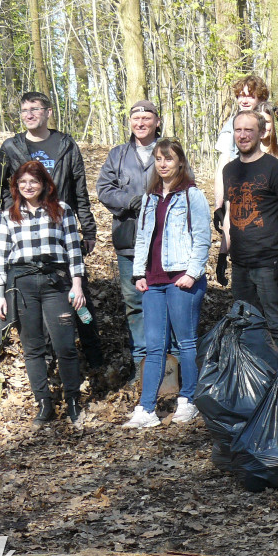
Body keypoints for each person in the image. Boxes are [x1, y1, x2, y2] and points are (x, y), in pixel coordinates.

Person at [0, 92, 102, 368]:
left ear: (48, 112)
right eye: (24, 111)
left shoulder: (66, 144)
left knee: (81, 299)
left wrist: (88, 229)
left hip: (62, 232)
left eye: (35, 109)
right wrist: (15, 217)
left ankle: (93, 354)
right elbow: (2, 193)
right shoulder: (11, 147)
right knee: (36, 306)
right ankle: (47, 361)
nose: (29, 114)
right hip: (28, 237)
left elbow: (80, 189)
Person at [123, 139, 211, 428]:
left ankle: (188, 400)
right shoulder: (149, 198)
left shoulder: (191, 195)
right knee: (154, 346)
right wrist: (139, 274)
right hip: (154, 281)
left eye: (168, 159)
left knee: (186, 343)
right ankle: (146, 408)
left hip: (182, 279)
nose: (163, 164)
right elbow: (142, 238)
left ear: (180, 162)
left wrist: (192, 273)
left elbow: (202, 237)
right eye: (159, 159)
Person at [0, 161, 87, 424]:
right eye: (22, 182)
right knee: (32, 347)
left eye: (33, 181)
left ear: (44, 183)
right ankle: (44, 404)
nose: (28, 186)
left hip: (55, 282)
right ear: (16, 186)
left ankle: (72, 400)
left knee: (65, 344)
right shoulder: (8, 215)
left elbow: (73, 250)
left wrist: (77, 284)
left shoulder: (62, 211)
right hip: (22, 284)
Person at [220, 110, 278, 357]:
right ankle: (255, 379)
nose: (242, 136)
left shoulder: (274, 168)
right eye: (238, 130)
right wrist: (223, 254)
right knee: (245, 325)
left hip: (269, 263)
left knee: (277, 324)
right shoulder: (229, 170)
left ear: (260, 133)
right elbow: (230, 214)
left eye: (249, 130)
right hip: (240, 263)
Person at [97, 100, 161, 381]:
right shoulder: (118, 155)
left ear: (157, 122)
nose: (141, 123)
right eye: (136, 118)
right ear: (130, 123)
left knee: (162, 303)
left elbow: (186, 185)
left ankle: (167, 366)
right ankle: (142, 368)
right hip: (129, 242)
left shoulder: (168, 151)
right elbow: (104, 189)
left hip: (163, 244)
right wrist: (131, 202)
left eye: (147, 118)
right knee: (134, 303)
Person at [214, 75, 270, 209]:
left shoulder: (272, 119)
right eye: (240, 96)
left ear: (261, 98)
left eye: (250, 96)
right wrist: (219, 206)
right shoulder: (231, 127)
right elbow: (223, 164)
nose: (244, 101)